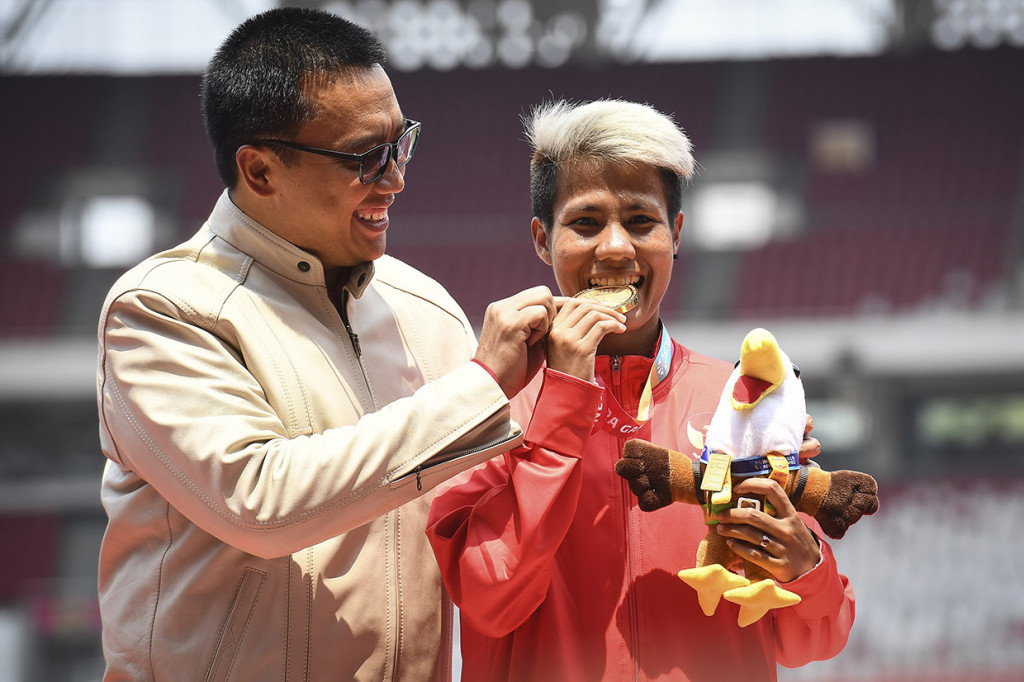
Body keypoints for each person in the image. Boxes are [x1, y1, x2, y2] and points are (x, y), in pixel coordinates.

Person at [95, 8, 615, 681]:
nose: (396, 178)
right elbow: (261, 505)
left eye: (403, 144)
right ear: (258, 171)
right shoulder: (161, 309)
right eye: (366, 157)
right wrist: (483, 385)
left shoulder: (426, 308)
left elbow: (500, 535)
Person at [426, 99, 856, 681]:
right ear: (540, 239)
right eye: (584, 223)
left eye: (640, 221)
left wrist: (805, 568)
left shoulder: (736, 399)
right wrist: (560, 405)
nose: (615, 249)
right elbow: (491, 600)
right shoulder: (483, 405)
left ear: (675, 234)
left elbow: (815, 639)